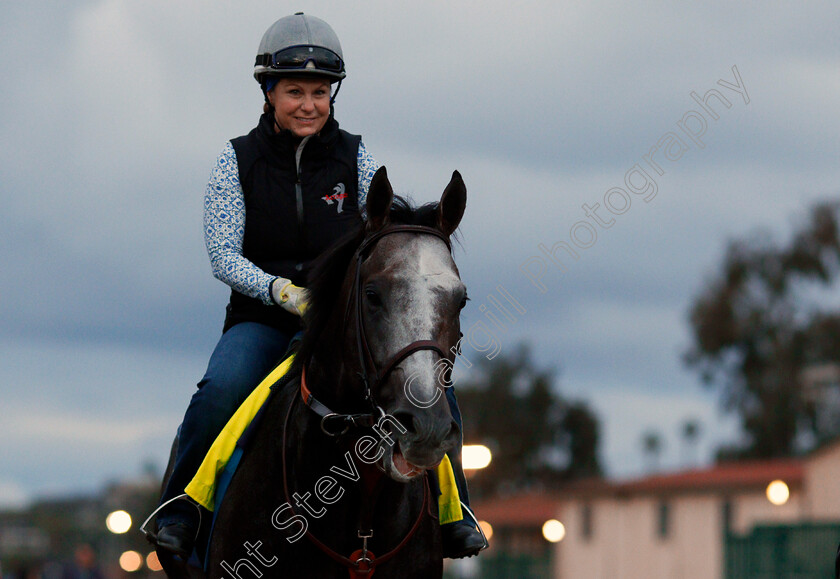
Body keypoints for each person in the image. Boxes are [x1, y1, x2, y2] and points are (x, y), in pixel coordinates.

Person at [154, 12, 485, 560]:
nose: (308, 103)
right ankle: (181, 508)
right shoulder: (234, 160)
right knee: (219, 391)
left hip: (343, 319)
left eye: (319, 91)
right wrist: (283, 292)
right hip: (263, 317)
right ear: (268, 93)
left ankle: (455, 512)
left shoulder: (358, 157)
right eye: (294, 91)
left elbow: (379, 239)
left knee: (432, 383)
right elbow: (221, 255)